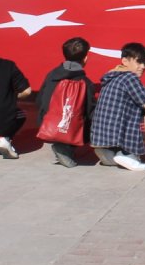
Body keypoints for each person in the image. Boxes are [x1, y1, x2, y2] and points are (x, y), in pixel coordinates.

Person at [90, 43, 145, 171]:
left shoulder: (112, 77)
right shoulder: (129, 78)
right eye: (139, 62)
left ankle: (114, 151)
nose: (143, 66)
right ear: (124, 61)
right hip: (115, 135)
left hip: (100, 136)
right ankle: (127, 153)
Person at [35, 37, 98, 168]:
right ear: (85, 58)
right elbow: (90, 111)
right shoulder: (85, 83)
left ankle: (61, 143)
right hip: (70, 128)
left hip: (47, 124)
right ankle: (66, 147)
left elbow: (39, 99)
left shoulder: (52, 75)